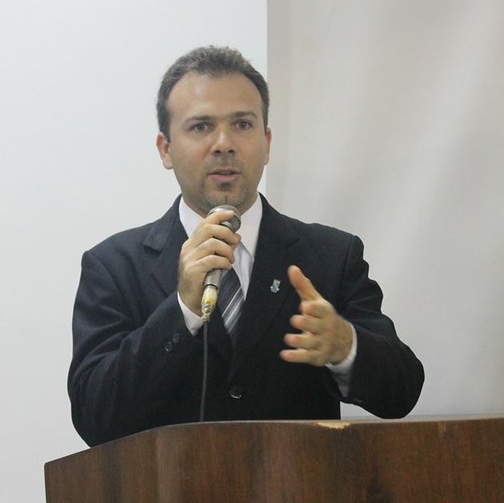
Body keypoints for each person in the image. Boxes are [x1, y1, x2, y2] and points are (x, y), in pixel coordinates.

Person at [68, 46, 424, 446]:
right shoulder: (113, 266)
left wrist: (346, 346)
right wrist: (182, 310)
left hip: (299, 485)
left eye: (242, 124)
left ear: (267, 143)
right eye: (201, 127)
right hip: (169, 487)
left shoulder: (330, 256)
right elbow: (94, 416)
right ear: (165, 149)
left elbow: (402, 393)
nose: (224, 143)